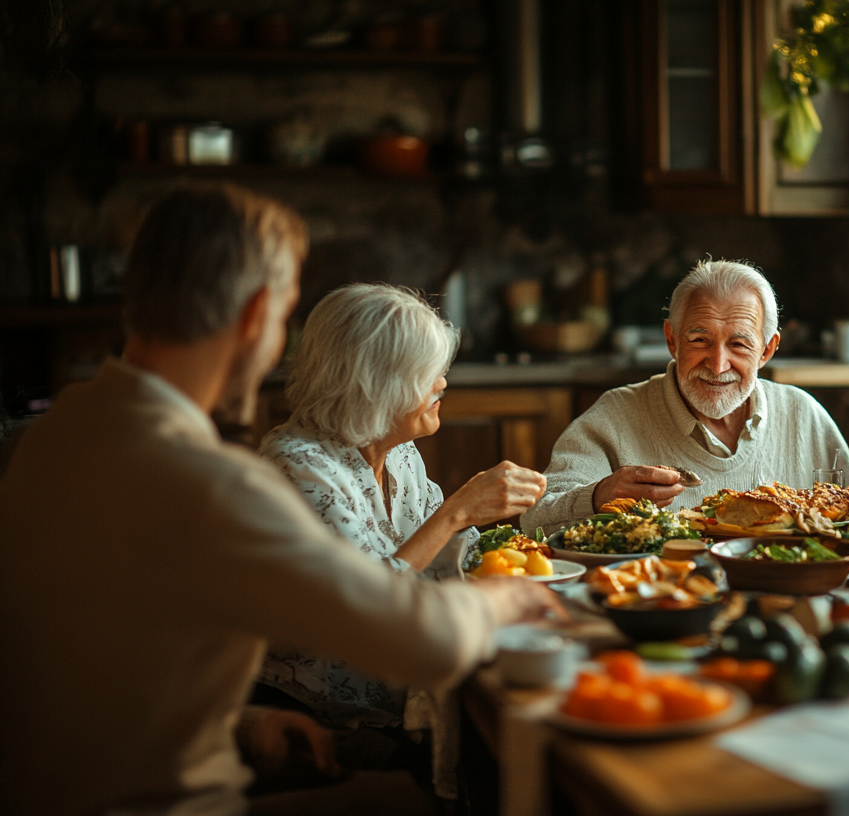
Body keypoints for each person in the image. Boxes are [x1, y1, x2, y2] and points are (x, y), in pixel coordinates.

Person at [0, 183, 562, 816]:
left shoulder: (45, 441)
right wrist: (515, 595)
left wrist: (238, 726)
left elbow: (95, 664)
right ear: (256, 314)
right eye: (285, 316)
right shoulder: (210, 481)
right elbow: (421, 639)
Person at [255, 283, 547, 738]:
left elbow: (453, 558)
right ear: (374, 383)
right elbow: (366, 611)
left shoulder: (399, 451)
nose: (442, 384)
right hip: (323, 716)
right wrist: (457, 511)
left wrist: (535, 554)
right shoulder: (296, 466)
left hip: (406, 677)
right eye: (426, 372)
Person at [520, 259, 849, 533]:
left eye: (738, 344)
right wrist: (597, 498)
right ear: (672, 339)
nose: (718, 364)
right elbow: (534, 521)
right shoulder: (613, 417)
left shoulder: (803, 415)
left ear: (767, 350)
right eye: (699, 340)